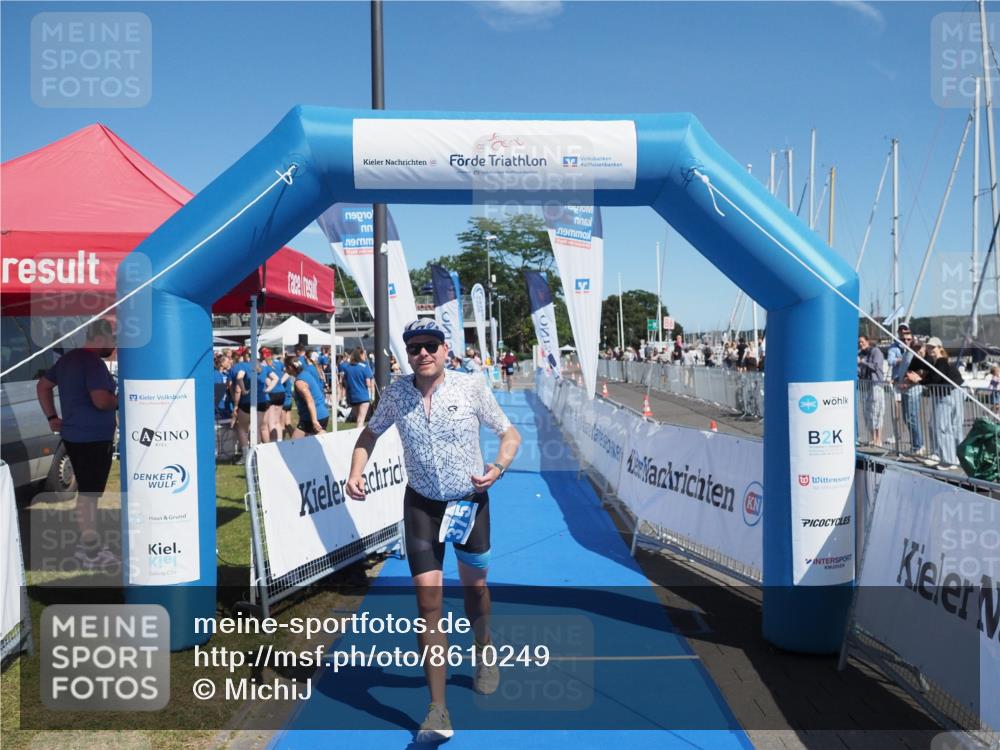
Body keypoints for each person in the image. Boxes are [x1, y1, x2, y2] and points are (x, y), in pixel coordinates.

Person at [346, 319, 521, 743]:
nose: (422, 353)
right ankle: (437, 709)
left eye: (430, 345)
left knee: (475, 588)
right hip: (422, 505)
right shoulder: (396, 394)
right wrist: (355, 472)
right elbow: (368, 434)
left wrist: (497, 468)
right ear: (407, 355)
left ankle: (484, 648)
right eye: (414, 348)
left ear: (445, 350)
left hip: (468, 503)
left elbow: (509, 434)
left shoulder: (470, 387)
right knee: (428, 602)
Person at [36, 319, 119, 569]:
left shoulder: (68, 359)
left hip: (76, 436)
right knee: (89, 496)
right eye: (113, 340)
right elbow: (101, 401)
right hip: (92, 438)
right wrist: (124, 399)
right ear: (101, 338)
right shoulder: (92, 363)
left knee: (87, 494)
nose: (114, 346)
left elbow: (42, 386)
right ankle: (90, 551)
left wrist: (51, 417)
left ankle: (89, 547)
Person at [919, 339, 965, 470]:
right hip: (950, 394)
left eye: (933, 347)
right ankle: (953, 457)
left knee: (942, 427)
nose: (930, 349)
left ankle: (949, 459)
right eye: (928, 347)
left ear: (940, 348)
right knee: (950, 426)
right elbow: (933, 377)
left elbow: (935, 379)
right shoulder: (938, 362)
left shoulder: (941, 362)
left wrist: (919, 380)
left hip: (947, 395)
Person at [284, 357, 329, 437]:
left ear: (290, 368)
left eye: (285, 367)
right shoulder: (305, 374)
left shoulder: (299, 382)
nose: (284, 369)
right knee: (318, 440)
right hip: (321, 413)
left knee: (295, 440)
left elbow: (310, 400)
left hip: (313, 417)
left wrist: (314, 420)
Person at [857, 335, 885, 447]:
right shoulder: (861, 354)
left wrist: (862, 362)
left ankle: (878, 439)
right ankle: (873, 438)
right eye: (859, 342)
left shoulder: (876, 351)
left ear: (867, 341)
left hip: (876, 385)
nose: (860, 344)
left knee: (877, 411)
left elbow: (875, 367)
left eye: (862, 341)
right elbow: (860, 371)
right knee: (868, 413)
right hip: (865, 385)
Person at [342, 347, 374, 424]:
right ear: (360, 355)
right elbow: (368, 383)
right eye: (364, 354)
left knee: (358, 420)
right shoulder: (364, 367)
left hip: (352, 397)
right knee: (361, 420)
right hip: (363, 396)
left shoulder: (347, 368)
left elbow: (344, 382)